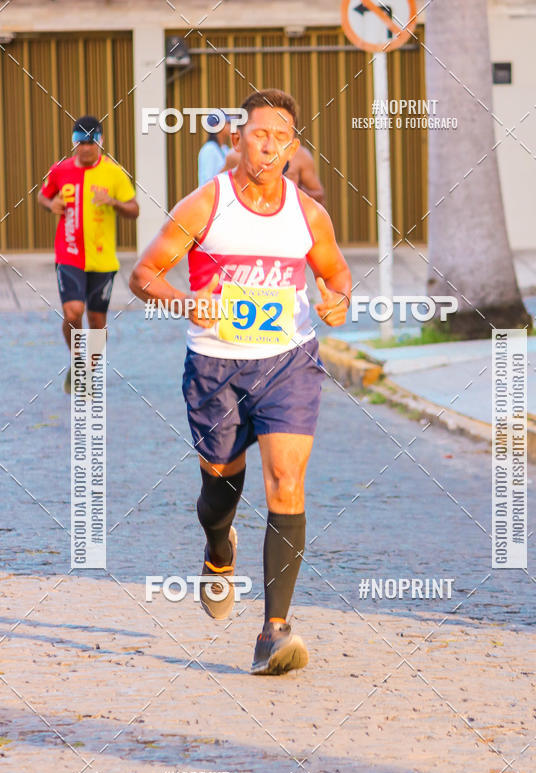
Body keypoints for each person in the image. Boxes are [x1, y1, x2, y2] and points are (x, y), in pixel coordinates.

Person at [130, 89, 351, 675]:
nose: (270, 144)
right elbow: (144, 274)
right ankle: (218, 551)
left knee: (286, 480)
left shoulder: (308, 213)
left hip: (288, 362)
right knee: (219, 489)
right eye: (259, 133)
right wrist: (184, 301)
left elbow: (336, 275)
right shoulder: (207, 204)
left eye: (282, 135)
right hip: (215, 368)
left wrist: (336, 301)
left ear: (293, 148)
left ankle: (274, 631)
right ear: (238, 139)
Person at [37, 115, 139, 391]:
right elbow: (42, 196)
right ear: (73, 143)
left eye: (89, 142)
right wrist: (51, 203)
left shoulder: (114, 173)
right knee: (73, 313)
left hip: (103, 259)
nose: (84, 147)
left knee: (96, 320)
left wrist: (113, 202)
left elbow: (135, 209)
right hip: (68, 254)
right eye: (78, 142)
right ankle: (78, 360)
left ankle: (89, 370)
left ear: (100, 142)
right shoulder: (60, 170)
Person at [222, 142, 325, 203]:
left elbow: (319, 195)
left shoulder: (300, 155)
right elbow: (219, 191)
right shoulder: (236, 155)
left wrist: (291, 191)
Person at [198, 112, 232, 186]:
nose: (230, 126)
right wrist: (228, 166)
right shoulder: (209, 149)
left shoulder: (225, 149)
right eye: (227, 123)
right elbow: (207, 184)